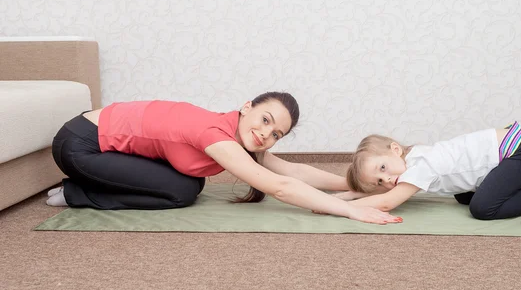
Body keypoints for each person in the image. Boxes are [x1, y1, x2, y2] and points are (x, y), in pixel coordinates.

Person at [46, 92, 402, 225]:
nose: (266, 135)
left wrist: (354, 186)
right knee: (181, 193)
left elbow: (290, 169)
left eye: (276, 133)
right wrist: (350, 210)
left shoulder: (239, 136)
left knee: (188, 185)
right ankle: (77, 193)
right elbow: (279, 186)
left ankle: (91, 182)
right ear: (247, 107)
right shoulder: (214, 135)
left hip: (103, 146)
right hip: (80, 145)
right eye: (265, 120)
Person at [334, 122, 521, 220]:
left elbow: (386, 203)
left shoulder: (420, 167)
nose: (386, 179)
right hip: (508, 146)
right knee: (462, 194)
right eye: (379, 182)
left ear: (395, 149)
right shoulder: (414, 156)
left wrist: (337, 207)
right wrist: (346, 195)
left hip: (519, 150)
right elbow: (382, 195)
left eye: (383, 168)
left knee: (482, 208)